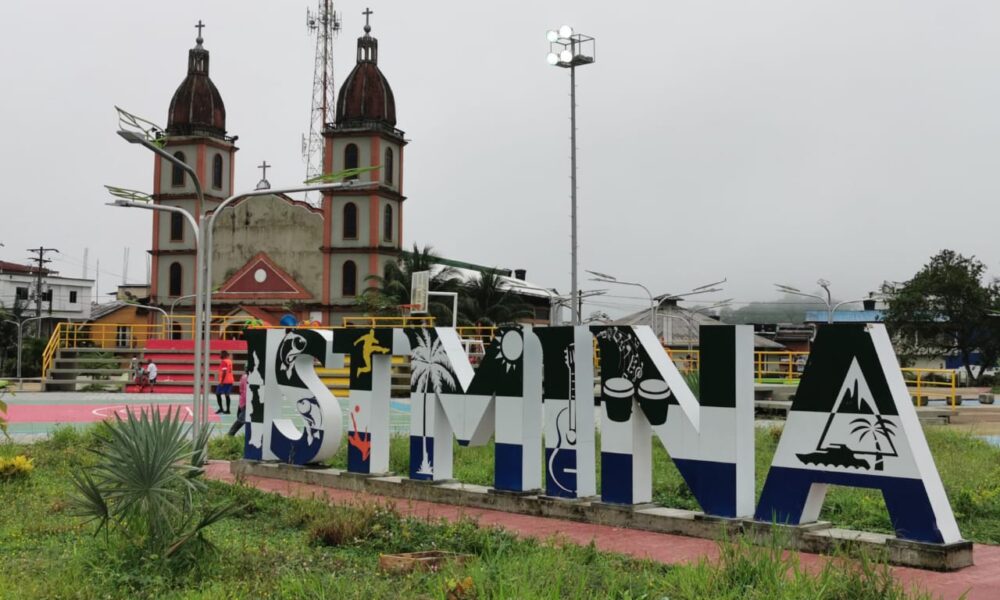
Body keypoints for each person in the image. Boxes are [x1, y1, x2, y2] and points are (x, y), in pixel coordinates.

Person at [227, 370, 249, 437]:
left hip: (243, 402)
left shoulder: (244, 377)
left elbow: (241, 391)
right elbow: (244, 392)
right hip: (246, 403)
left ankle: (230, 435)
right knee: (241, 420)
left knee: (243, 419)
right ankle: (230, 435)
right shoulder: (246, 378)